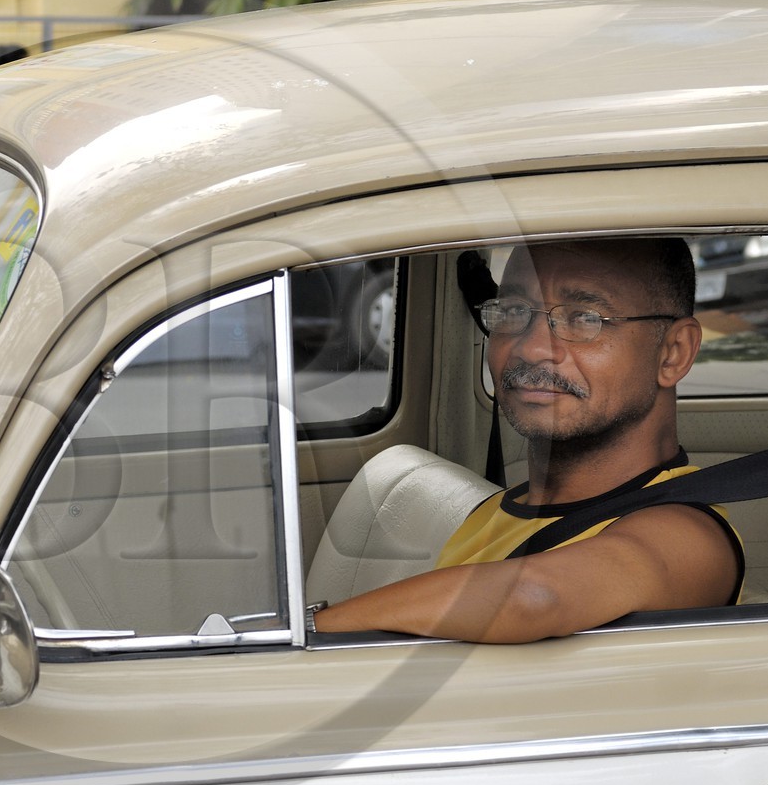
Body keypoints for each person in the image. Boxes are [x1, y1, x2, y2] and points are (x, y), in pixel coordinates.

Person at [313, 238, 743, 643]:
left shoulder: (689, 536)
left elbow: (536, 597)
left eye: (584, 318)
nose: (532, 347)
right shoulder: (491, 516)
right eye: (514, 311)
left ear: (673, 352)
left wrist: (301, 637)